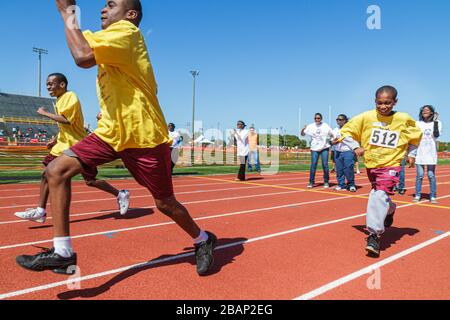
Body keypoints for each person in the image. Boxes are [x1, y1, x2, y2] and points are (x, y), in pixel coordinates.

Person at [16, 0, 217, 277]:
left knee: (165, 203)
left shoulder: (128, 32)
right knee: (55, 171)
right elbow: (83, 46)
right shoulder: (108, 38)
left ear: (130, 14)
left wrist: (68, 12)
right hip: (110, 132)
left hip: (143, 136)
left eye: (111, 4)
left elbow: (82, 55)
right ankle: (62, 253)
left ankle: (203, 239)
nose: (102, 8)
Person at [14, 73, 130, 223]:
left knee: (90, 181)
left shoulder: (70, 97)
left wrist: (45, 113)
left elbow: (67, 121)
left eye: (51, 83)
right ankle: (40, 211)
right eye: (47, 84)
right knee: (47, 173)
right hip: (63, 144)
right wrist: (55, 140)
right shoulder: (59, 100)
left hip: (76, 145)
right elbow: (65, 127)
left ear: (62, 84)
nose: (48, 86)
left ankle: (120, 194)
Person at [339, 86, 422, 257]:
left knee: (377, 196)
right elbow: (345, 132)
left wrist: (411, 154)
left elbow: (415, 137)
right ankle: (390, 209)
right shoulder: (365, 117)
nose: (383, 106)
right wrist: (355, 146)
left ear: (395, 102)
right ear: (374, 101)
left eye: (387, 103)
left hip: (391, 164)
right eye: (379, 103)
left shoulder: (403, 118)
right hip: (372, 164)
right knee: (381, 196)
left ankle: (374, 235)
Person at [414, 105, 442, 204]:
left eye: (427, 110)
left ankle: (433, 196)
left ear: (431, 113)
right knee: (420, 175)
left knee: (431, 175)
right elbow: (413, 137)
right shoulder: (417, 123)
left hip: (431, 153)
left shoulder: (438, 123)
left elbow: (436, 135)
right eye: (423, 110)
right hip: (420, 152)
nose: (425, 111)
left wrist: (435, 122)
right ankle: (417, 195)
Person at [301, 113, 333, 188]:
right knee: (313, 165)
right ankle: (311, 182)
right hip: (314, 148)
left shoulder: (325, 126)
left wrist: (332, 140)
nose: (317, 119)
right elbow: (302, 134)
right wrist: (303, 129)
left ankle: (326, 181)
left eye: (318, 118)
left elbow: (332, 134)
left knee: (325, 165)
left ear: (321, 119)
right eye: (315, 118)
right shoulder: (310, 126)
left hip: (324, 147)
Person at [331, 114, 356, 192]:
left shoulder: (350, 129)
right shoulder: (335, 130)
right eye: (337, 119)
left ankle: (351, 184)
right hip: (338, 151)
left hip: (348, 150)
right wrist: (333, 141)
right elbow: (332, 141)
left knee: (348, 168)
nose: (338, 121)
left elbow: (355, 139)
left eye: (340, 119)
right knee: (339, 170)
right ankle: (341, 184)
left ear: (345, 120)